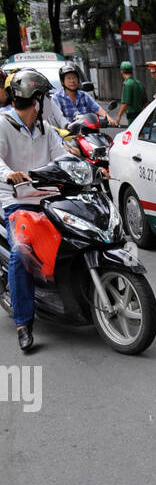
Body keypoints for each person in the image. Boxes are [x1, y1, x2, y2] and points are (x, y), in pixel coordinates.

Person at [0, 69, 67, 352]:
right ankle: (24, 322)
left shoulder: (45, 129)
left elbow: (61, 156)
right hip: (15, 201)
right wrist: (9, 174)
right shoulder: (2, 125)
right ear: (36, 99)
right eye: (43, 98)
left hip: (47, 198)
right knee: (21, 251)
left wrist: (78, 166)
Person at [115, 61, 147, 127]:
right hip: (140, 116)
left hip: (132, 117)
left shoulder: (127, 84)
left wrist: (119, 116)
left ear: (121, 71)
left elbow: (125, 103)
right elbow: (145, 103)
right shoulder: (139, 83)